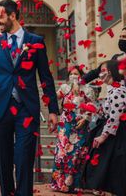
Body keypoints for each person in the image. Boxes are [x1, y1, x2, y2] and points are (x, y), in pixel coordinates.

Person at [0, 0, 59, 196]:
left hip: (26, 109)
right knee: (4, 160)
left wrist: (53, 109)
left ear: (12, 15)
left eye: (0, 17)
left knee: (24, 158)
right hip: (0, 108)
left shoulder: (35, 41)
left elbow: (46, 77)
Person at [82, 60, 126, 196]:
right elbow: (108, 111)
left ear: (111, 71)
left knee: (112, 168)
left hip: (116, 135)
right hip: (111, 131)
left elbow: (115, 116)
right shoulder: (112, 88)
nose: (100, 74)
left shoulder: (119, 90)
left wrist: (103, 135)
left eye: (103, 71)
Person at [51, 66, 95, 193]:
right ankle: (59, 184)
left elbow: (92, 106)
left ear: (81, 75)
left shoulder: (87, 89)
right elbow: (54, 99)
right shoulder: (65, 87)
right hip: (65, 124)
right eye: (71, 74)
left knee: (77, 153)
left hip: (80, 124)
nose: (73, 76)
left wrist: (86, 118)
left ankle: (73, 184)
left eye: (76, 74)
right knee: (62, 153)